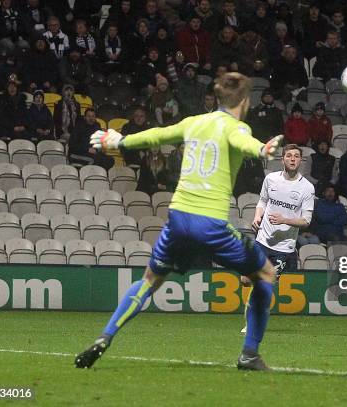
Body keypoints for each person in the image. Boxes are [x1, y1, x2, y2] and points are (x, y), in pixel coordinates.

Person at [75, 73, 283, 371]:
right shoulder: (237, 127)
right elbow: (244, 141)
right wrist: (262, 150)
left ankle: (105, 336)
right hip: (209, 221)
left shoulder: (193, 122)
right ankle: (250, 354)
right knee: (265, 274)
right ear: (245, 101)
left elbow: (156, 135)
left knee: (149, 280)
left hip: (177, 216)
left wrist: (119, 139)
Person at [252, 144, 314, 276]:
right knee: (245, 280)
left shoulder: (307, 188)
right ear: (282, 159)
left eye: (296, 156)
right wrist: (257, 216)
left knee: (266, 280)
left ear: (300, 160)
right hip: (263, 240)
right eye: (289, 156)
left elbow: (306, 221)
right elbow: (262, 201)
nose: (293, 159)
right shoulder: (271, 179)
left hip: (284, 248)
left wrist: (284, 220)